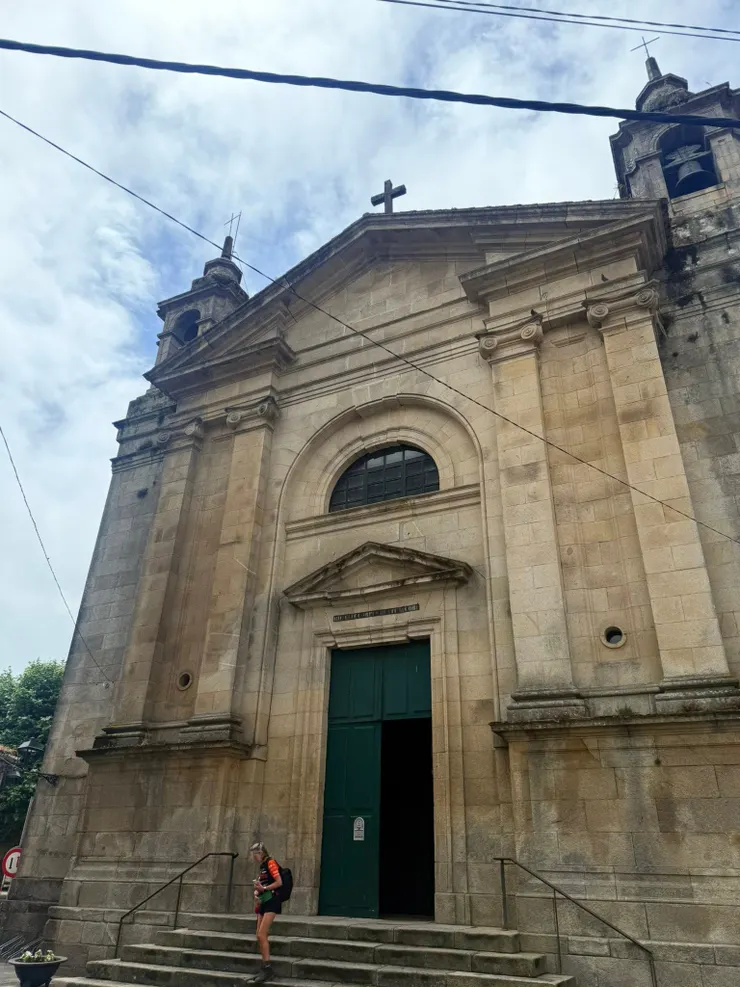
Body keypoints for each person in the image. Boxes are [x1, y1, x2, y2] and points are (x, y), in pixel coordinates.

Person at [249, 841, 283, 984]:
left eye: (254, 854)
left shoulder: (271, 863)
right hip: (264, 902)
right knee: (259, 935)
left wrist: (265, 889)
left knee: (262, 934)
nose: (253, 857)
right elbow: (263, 884)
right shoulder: (262, 867)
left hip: (272, 902)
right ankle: (264, 967)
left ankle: (268, 968)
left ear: (261, 853)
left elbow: (279, 882)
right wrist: (257, 891)